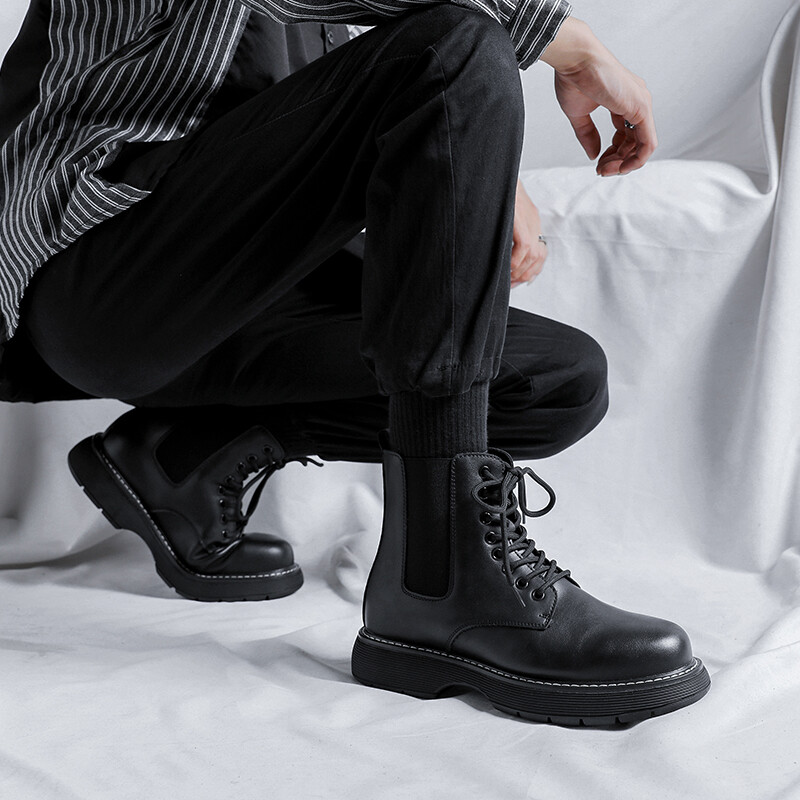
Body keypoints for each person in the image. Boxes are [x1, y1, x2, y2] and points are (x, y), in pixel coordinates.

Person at [0, 0, 710, 724]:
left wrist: (474, 155)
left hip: (239, 295)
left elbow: (318, 119)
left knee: (555, 381)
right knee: (456, 47)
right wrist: (563, 43)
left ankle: (184, 456)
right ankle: (438, 579)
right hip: (98, 270)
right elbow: (430, 50)